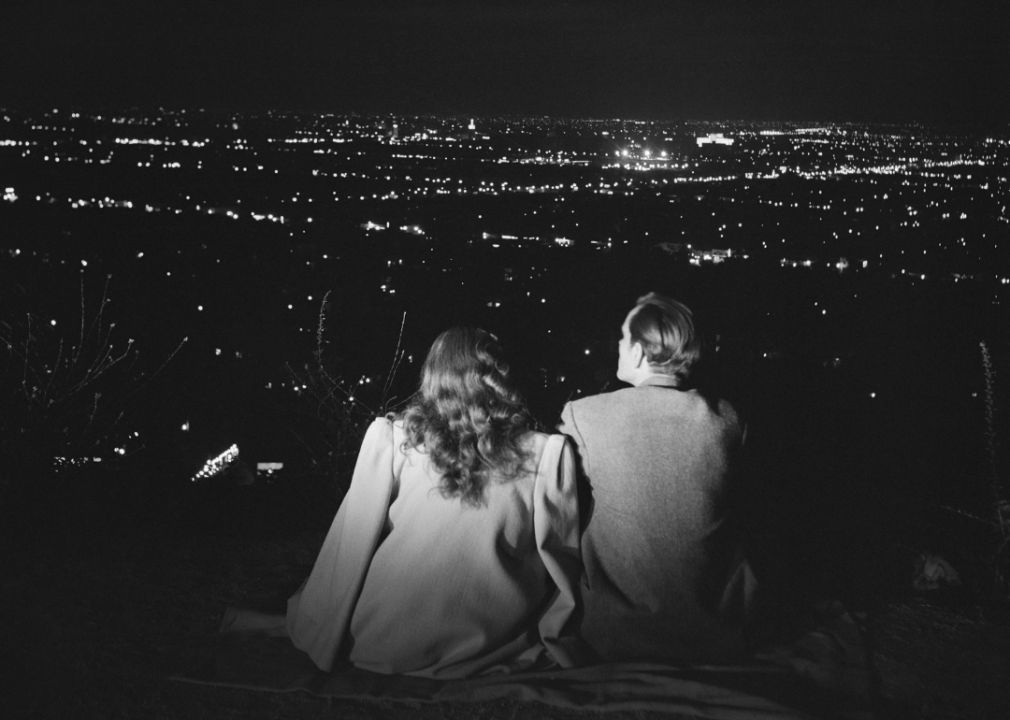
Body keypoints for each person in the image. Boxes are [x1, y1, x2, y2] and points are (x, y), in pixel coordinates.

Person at [285, 327, 583, 678]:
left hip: (380, 642)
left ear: (431, 374)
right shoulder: (546, 452)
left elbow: (350, 543)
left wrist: (319, 628)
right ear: (501, 374)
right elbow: (561, 561)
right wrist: (560, 639)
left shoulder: (393, 439)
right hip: (486, 643)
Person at [558, 292, 756, 664]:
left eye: (622, 337)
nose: (617, 345)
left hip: (612, 633)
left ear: (637, 352)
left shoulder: (582, 416)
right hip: (712, 632)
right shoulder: (729, 420)